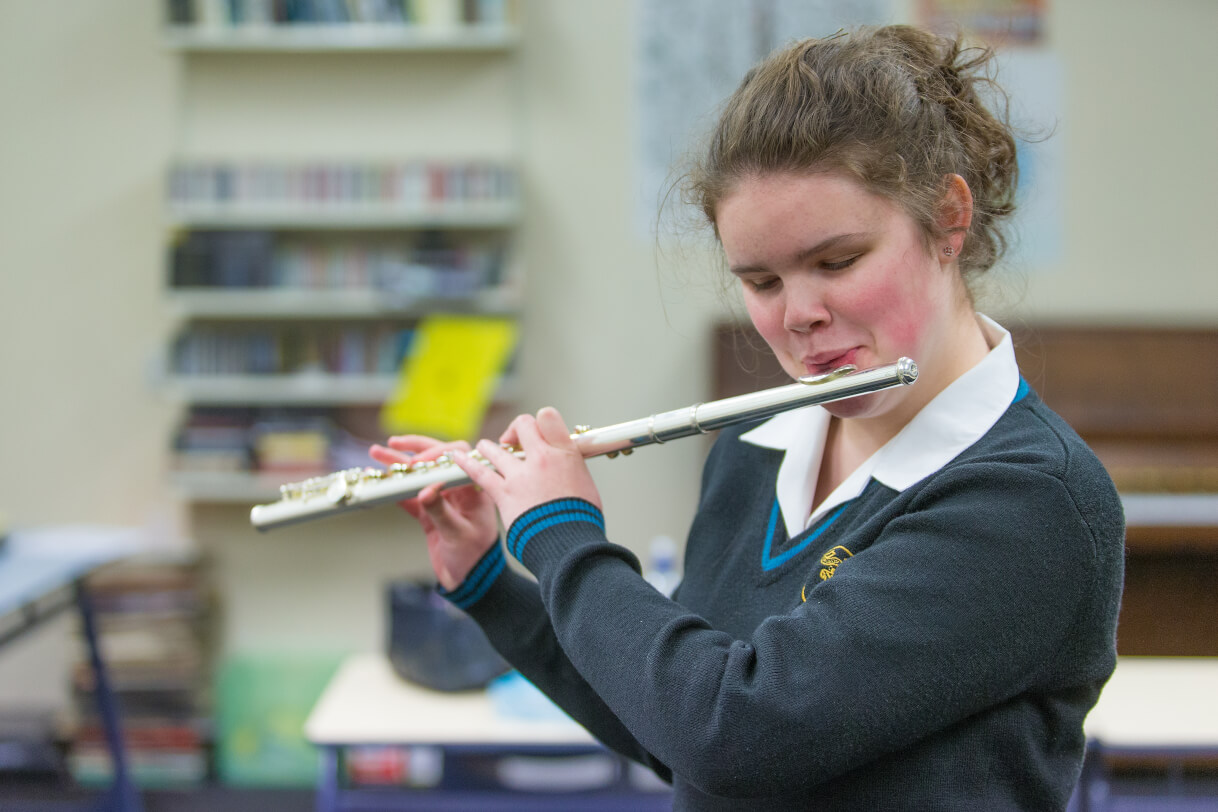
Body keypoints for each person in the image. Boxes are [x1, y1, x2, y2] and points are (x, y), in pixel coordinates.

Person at [370, 25, 1124, 811]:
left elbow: (734, 732)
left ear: (948, 219)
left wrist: (560, 534)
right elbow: (676, 735)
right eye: (761, 281)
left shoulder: (1031, 502)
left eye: (837, 262)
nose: (799, 315)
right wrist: (492, 580)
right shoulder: (755, 450)